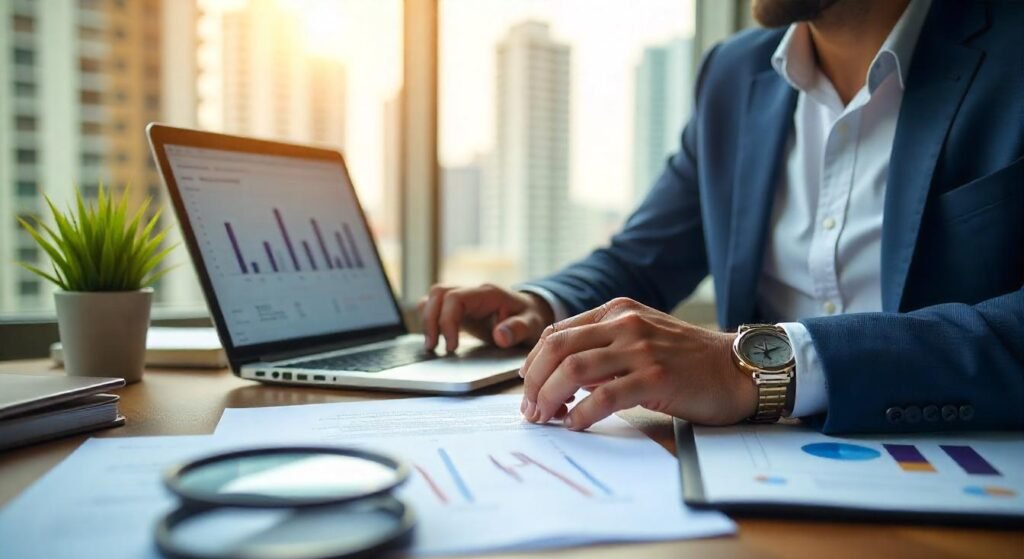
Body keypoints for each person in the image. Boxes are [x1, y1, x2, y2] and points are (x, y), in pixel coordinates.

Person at [418, 0, 1024, 434]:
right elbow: (645, 254)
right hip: (754, 464)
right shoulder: (734, 74)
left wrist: (754, 366)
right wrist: (540, 304)